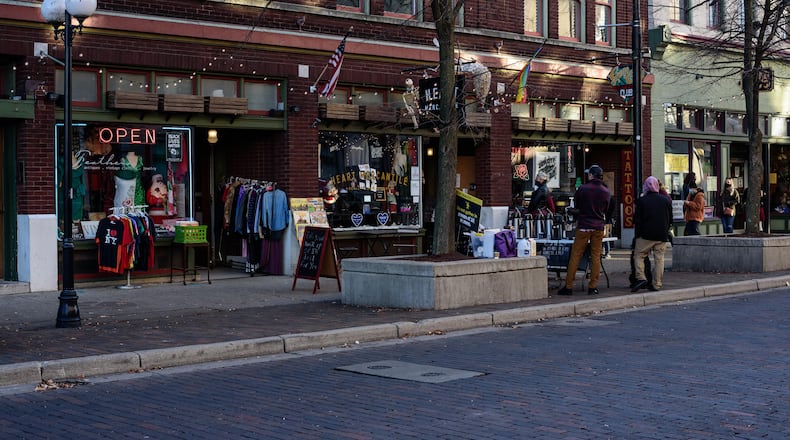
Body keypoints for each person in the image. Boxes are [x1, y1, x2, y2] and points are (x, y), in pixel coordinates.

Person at [557, 165, 610, 296]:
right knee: (596, 256)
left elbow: (578, 206)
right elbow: (606, 208)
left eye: (589, 174)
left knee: (576, 255)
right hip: (598, 226)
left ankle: (568, 286)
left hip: (584, 225)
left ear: (591, 175)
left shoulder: (583, 189)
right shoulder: (605, 191)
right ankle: (593, 286)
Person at [631, 176, 673, 292]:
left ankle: (641, 277)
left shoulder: (642, 201)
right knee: (659, 259)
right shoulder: (665, 200)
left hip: (645, 235)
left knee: (639, 255)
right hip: (661, 235)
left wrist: (638, 234)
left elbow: (637, 220)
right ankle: (657, 284)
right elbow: (670, 219)